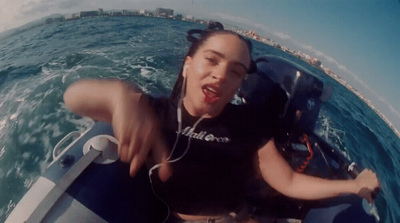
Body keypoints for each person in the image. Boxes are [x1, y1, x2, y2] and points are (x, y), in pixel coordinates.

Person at [63, 24, 380, 222]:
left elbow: (289, 182)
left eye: (236, 71)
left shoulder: (249, 125)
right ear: (188, 66)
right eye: (212, 60)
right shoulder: (153, 113)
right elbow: (74, 98)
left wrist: (354, 186)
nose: (221, 75)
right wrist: (119, 94)